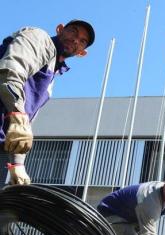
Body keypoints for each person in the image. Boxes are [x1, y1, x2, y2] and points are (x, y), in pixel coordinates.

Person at [0, 20, 95, 185]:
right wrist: (18, 116)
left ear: (81, 53)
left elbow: (24, 127)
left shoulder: (51, 78)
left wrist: (17, 163)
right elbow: (10, 73)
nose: (75, 40)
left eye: (82, 41)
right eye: (73, 31)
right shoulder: (39, 38)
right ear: (59, 29)